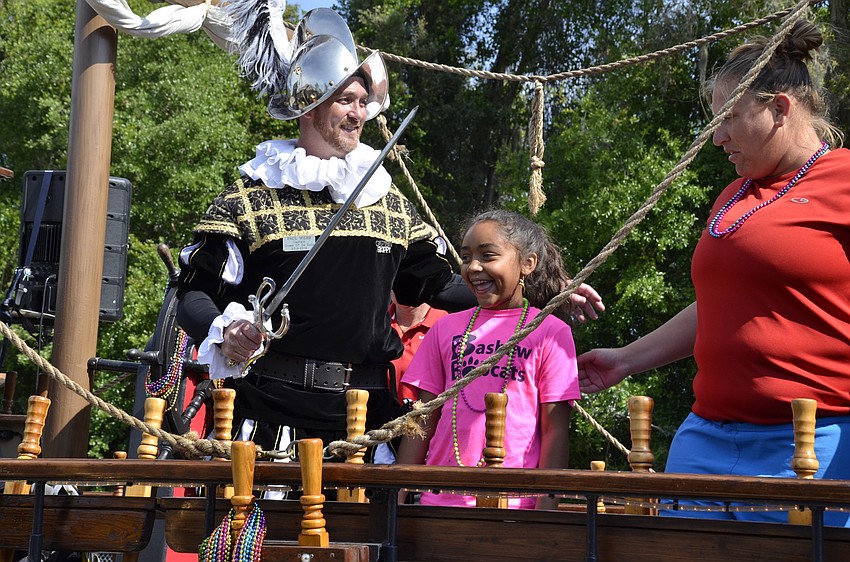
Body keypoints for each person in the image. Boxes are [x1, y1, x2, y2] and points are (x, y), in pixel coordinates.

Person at [176, 8, 603, 460]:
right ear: (309, 103)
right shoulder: (249, 196)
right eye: (345, 100)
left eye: (364, 101)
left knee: (362, 533)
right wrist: (229, 330)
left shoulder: (386, 200)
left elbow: (441, 286)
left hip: (364, 419)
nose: (358, 113)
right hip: (267, 413)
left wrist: (543, 293)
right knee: (252, 531)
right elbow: (193, 294)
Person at [578, 20, 850, 526]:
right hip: (704, 440)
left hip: (814, 446)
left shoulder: (845, 180)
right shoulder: (732, 195)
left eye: (729, 118)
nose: (717, 136)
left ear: (779, 110)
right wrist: (625, 361)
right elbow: (721, 308)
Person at [396, 210, 580, 510]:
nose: (474, 267)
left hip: (517, 505)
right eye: (467, 257)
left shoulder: (551, 331)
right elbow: (423, 420)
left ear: (527, 264)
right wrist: (397, 496)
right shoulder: (445, 328)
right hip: (440, 502)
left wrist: (547, 512)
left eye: (488, 255)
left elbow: (555, 430)